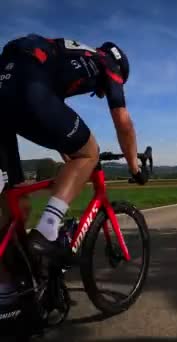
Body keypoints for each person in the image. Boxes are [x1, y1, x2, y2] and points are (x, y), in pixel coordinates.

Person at [0, 34, 147, 260]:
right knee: (90, 152)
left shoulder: (72, 56)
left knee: (16, 207)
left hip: (7, 81)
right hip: (28, 84)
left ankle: (11, 289)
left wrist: (70, 158)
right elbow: (123, 122)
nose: (103, 94)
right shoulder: (108, 63)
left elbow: (53, 119)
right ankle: (47, 230)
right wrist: (134, 167)